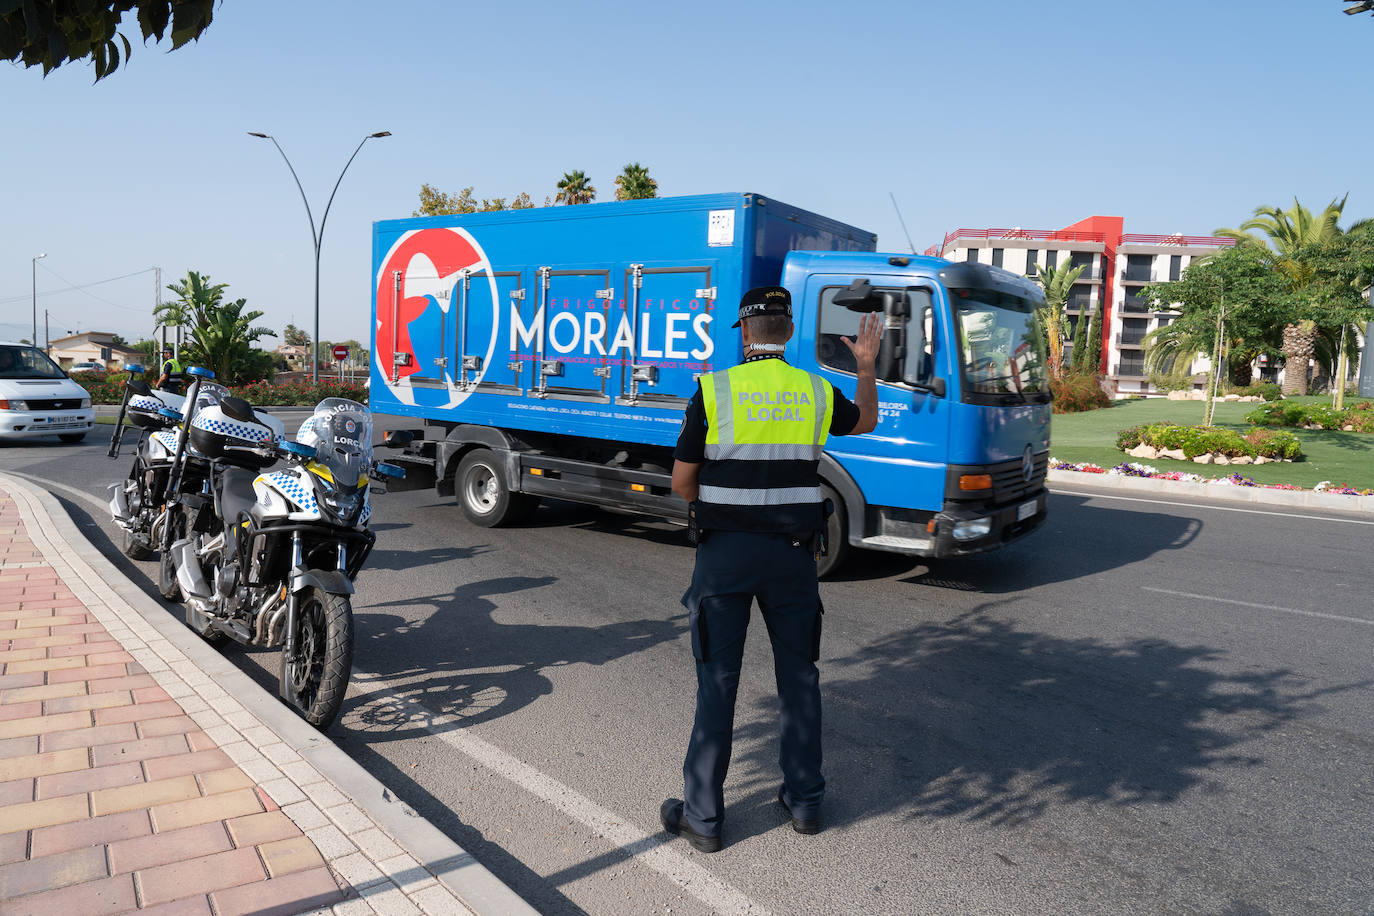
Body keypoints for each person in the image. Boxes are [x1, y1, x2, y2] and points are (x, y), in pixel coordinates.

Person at [659, 285, 880, 852]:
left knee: (717, 682)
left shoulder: (715, 390)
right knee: (799, 677)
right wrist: (865, 364)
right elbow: (865, 424)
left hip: (726, 557)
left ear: (746, 332)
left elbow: (683, 481)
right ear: (786, 331)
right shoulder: (814, 389)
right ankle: (805, 800)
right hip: (792, 558)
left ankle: (704, 818)